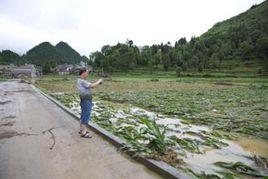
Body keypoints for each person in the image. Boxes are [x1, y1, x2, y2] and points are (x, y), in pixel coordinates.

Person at [77, 68, 103, 138]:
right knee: (86, 115)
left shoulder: (80, 80)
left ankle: (81, 130)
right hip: (86, 100)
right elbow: (91, 85)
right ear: (83, 73)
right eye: (87, 73)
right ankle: (84, 133)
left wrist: (96, 84)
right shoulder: (82, 81)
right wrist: (99, 81)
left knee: (83, 115)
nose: (88, 74)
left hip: (84, 100)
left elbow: (91, 86)